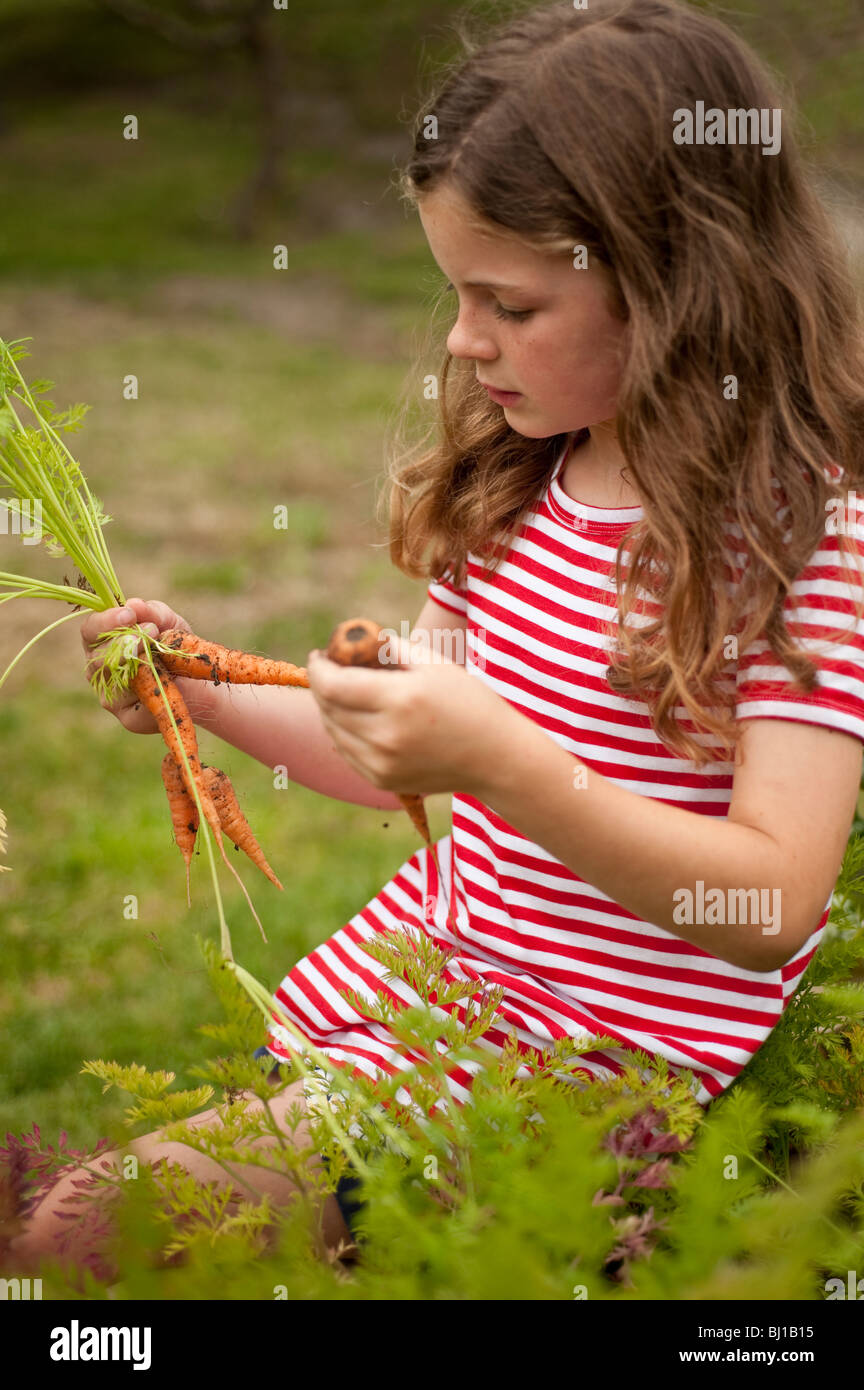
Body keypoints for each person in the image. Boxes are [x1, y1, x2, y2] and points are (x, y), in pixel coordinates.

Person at [13, 0, 864, 1276]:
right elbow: (397, 761)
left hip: (580, 1078)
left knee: (92, 1232)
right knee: (78, 1225)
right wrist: (211, 692)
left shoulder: (804, 543)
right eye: (454, 293)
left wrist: (507, 759)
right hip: (414, 1003)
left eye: (508, 302)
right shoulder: (524, 482)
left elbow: (771, 895)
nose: (464, 340)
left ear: (680, 282)